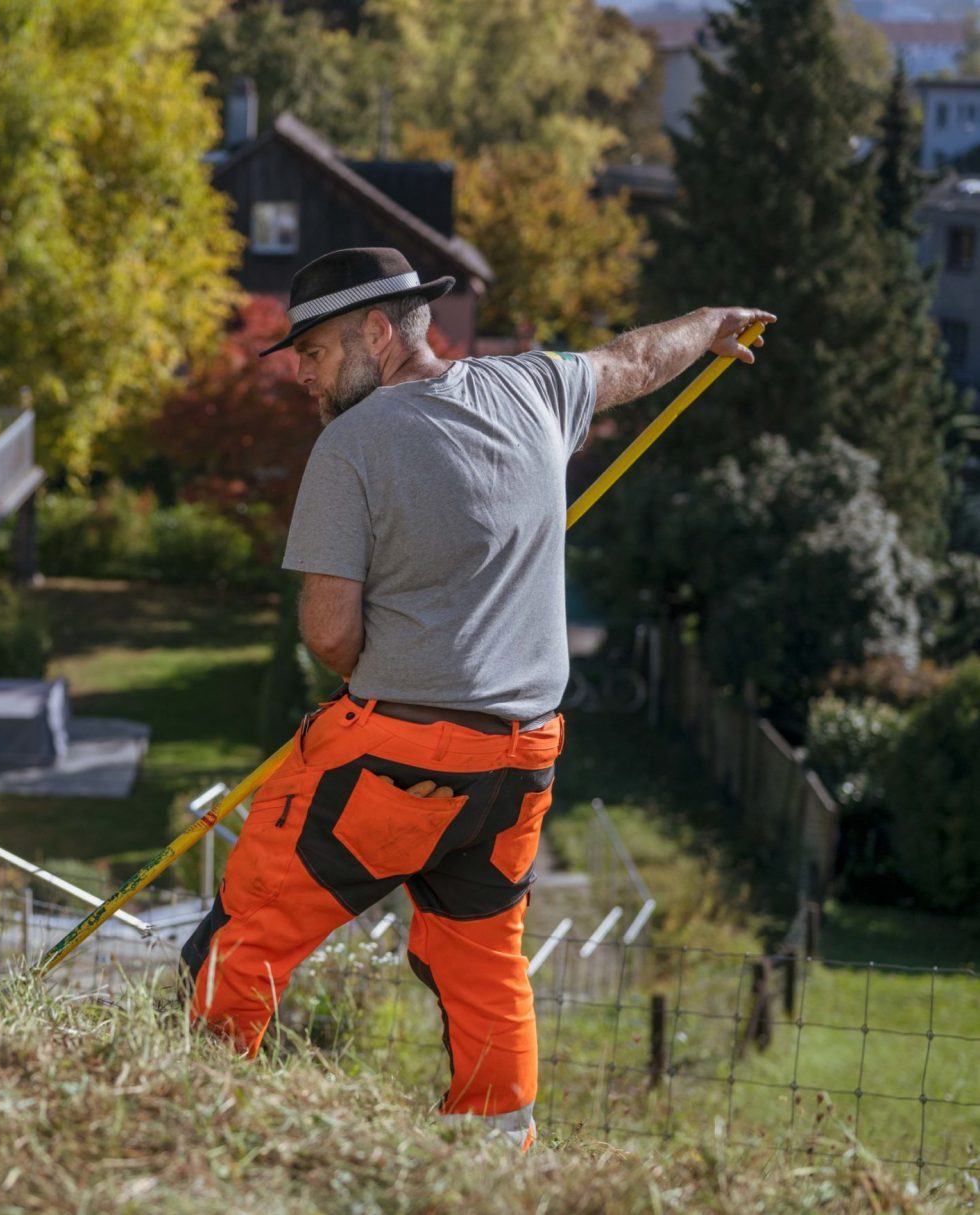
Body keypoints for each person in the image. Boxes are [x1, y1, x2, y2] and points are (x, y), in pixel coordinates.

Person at [180, 246, 774, 1150]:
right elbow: (631, 361)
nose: (300, 370)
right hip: (521, 763)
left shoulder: (349, 447)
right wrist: (712, 326)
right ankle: (499, 1160)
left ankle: (198, 1123)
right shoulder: (533, 388)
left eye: (314, 350)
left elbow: (332, 636)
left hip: (393, 761)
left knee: (246, 933)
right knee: (483, 956)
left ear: (377, 332)